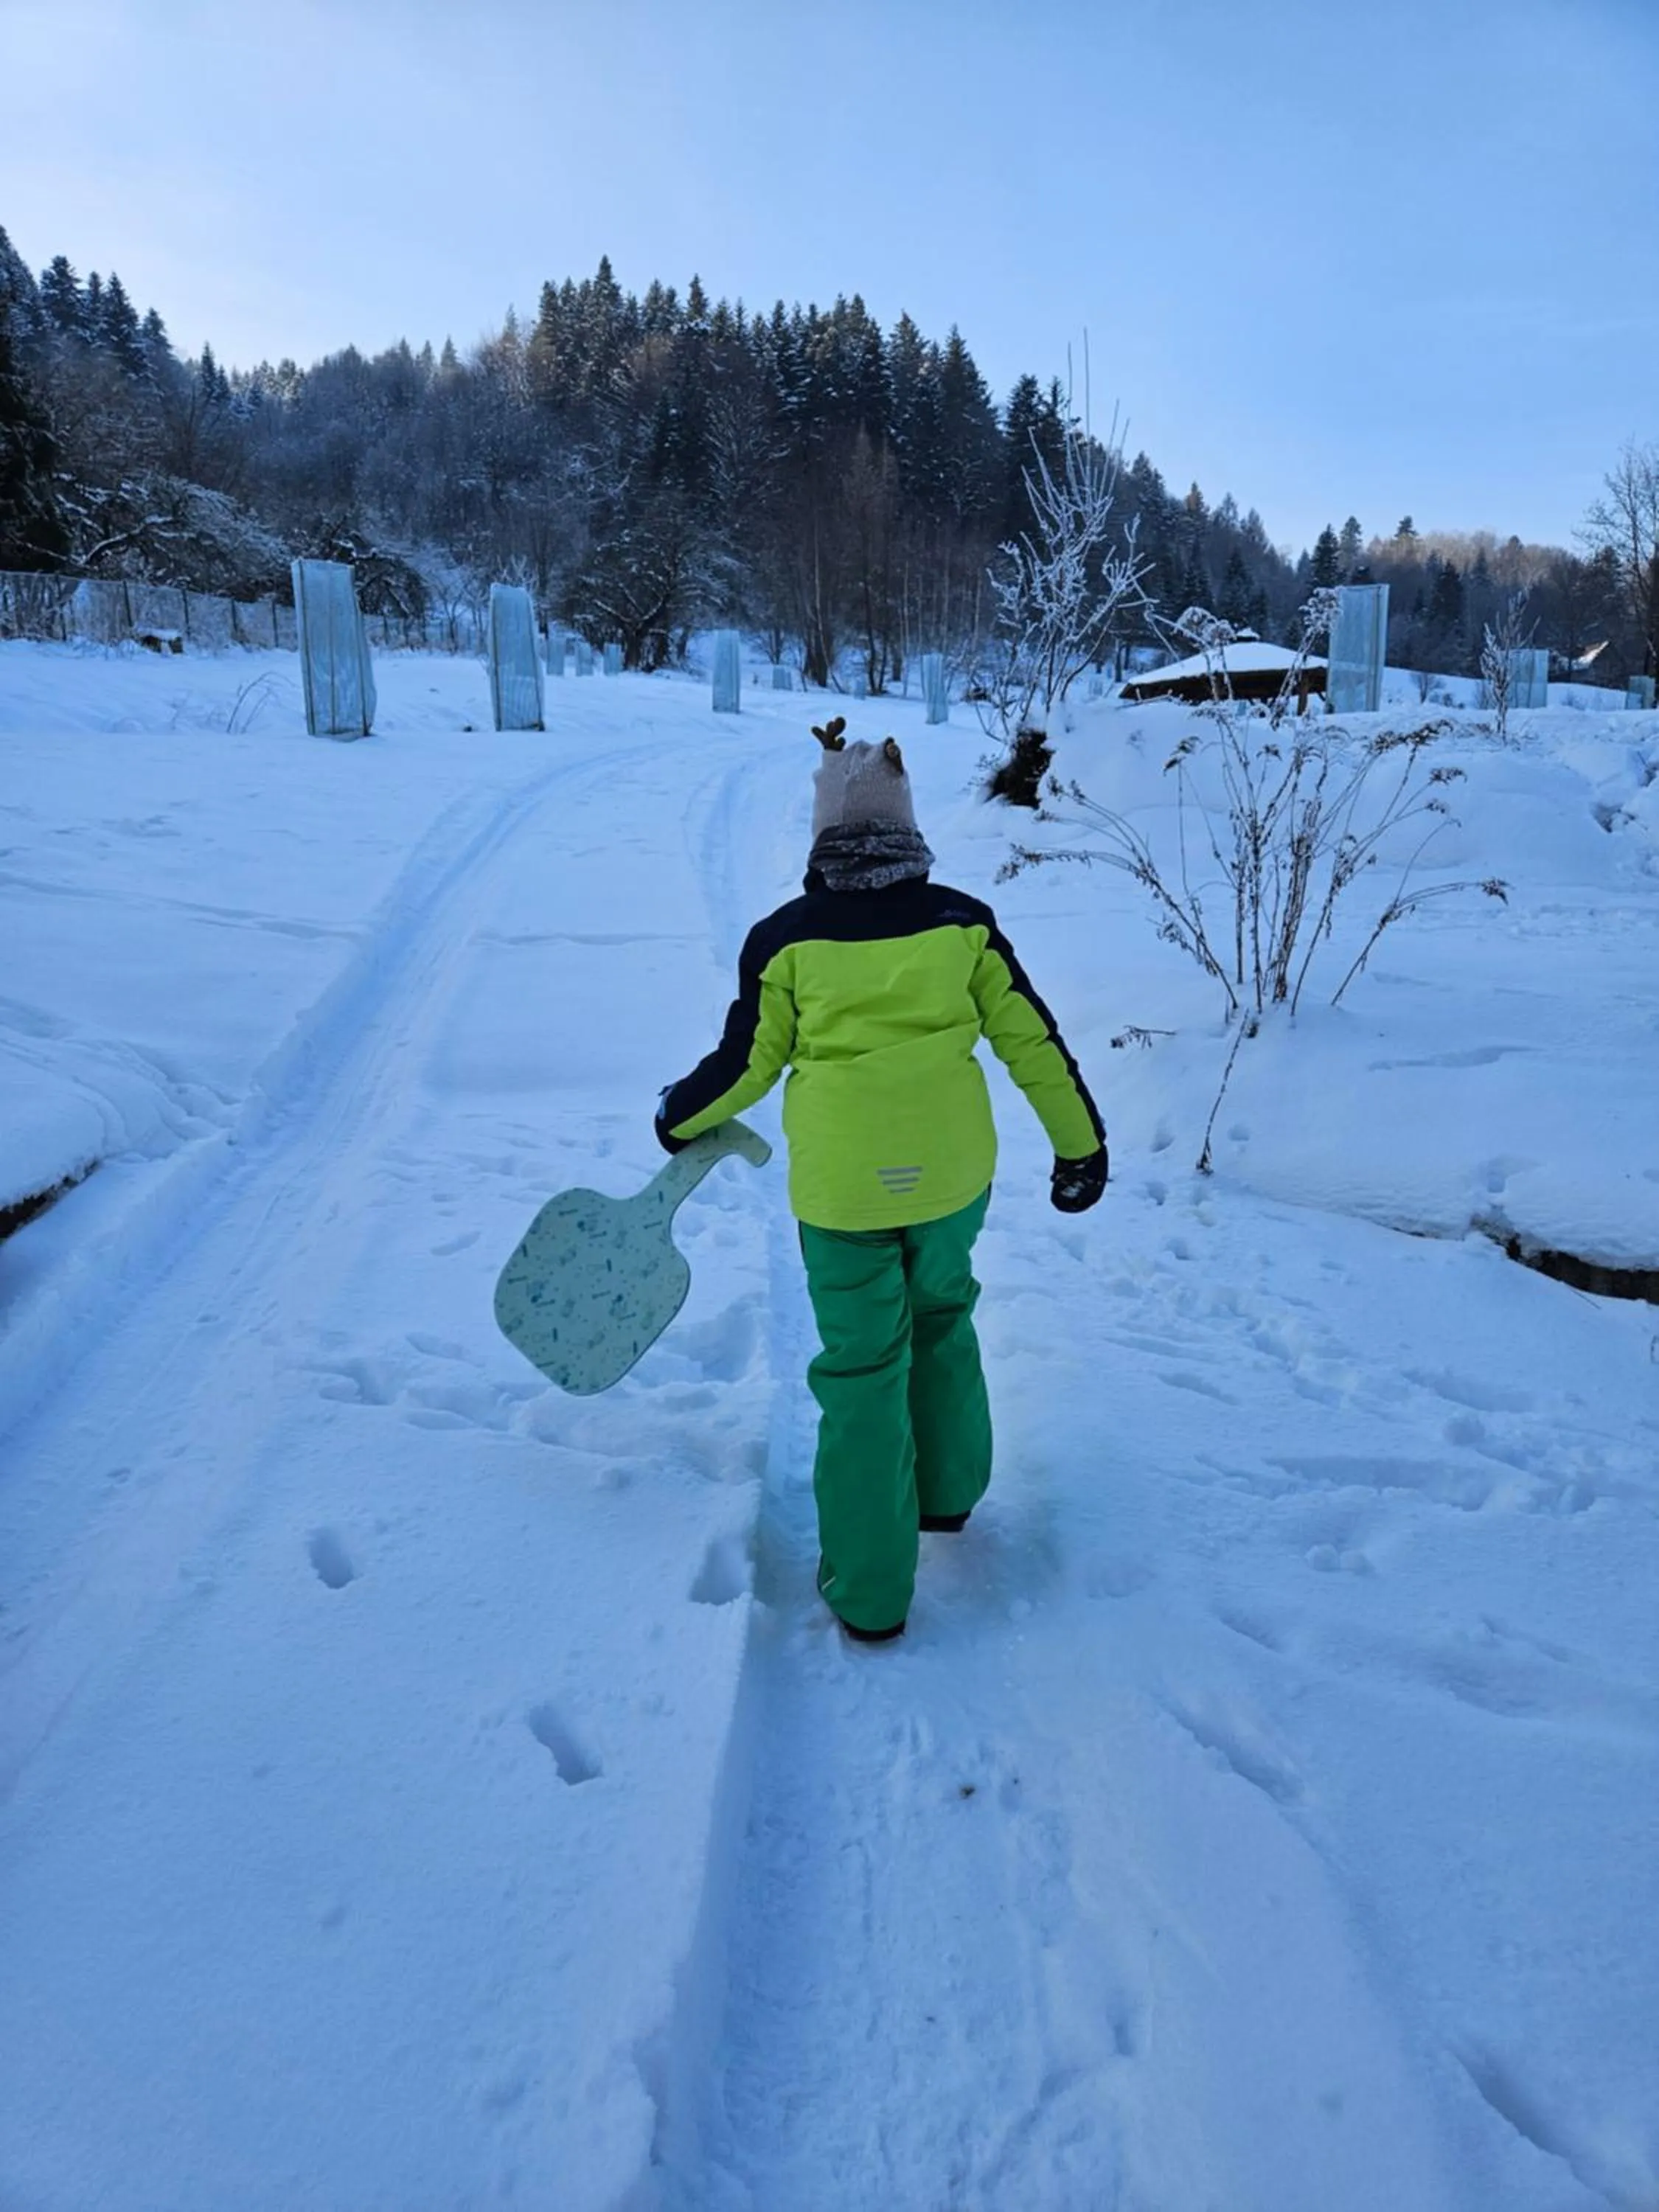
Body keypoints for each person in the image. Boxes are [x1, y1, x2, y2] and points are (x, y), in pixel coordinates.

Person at [655, 717, 1106, 1643]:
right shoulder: (962, 925)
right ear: (910, 832)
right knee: (942, 1319)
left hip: (845, 1199)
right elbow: (1033, 1042)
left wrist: (680, 1114)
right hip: (950, 1184)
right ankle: (945, 1497)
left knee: (863, 1370)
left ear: (823, 842)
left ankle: (868, 1589)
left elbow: (746, 1064)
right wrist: (1079, 1147)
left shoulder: (785, 940)